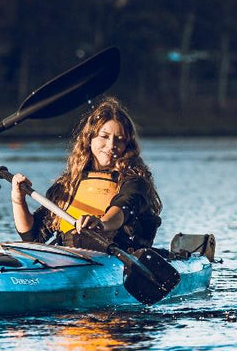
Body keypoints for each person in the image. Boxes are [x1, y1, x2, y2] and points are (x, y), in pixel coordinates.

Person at [10, 96, 162, 253]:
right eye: (104, 136)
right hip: (70, 260)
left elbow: (122, 209)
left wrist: (101, 224)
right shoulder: (68, 185)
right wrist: (18, 200)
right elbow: (32, 236)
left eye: (120, 139)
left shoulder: (135, 182)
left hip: (115, 256)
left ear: (127, 145)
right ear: (89, 139)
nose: (111, 145)